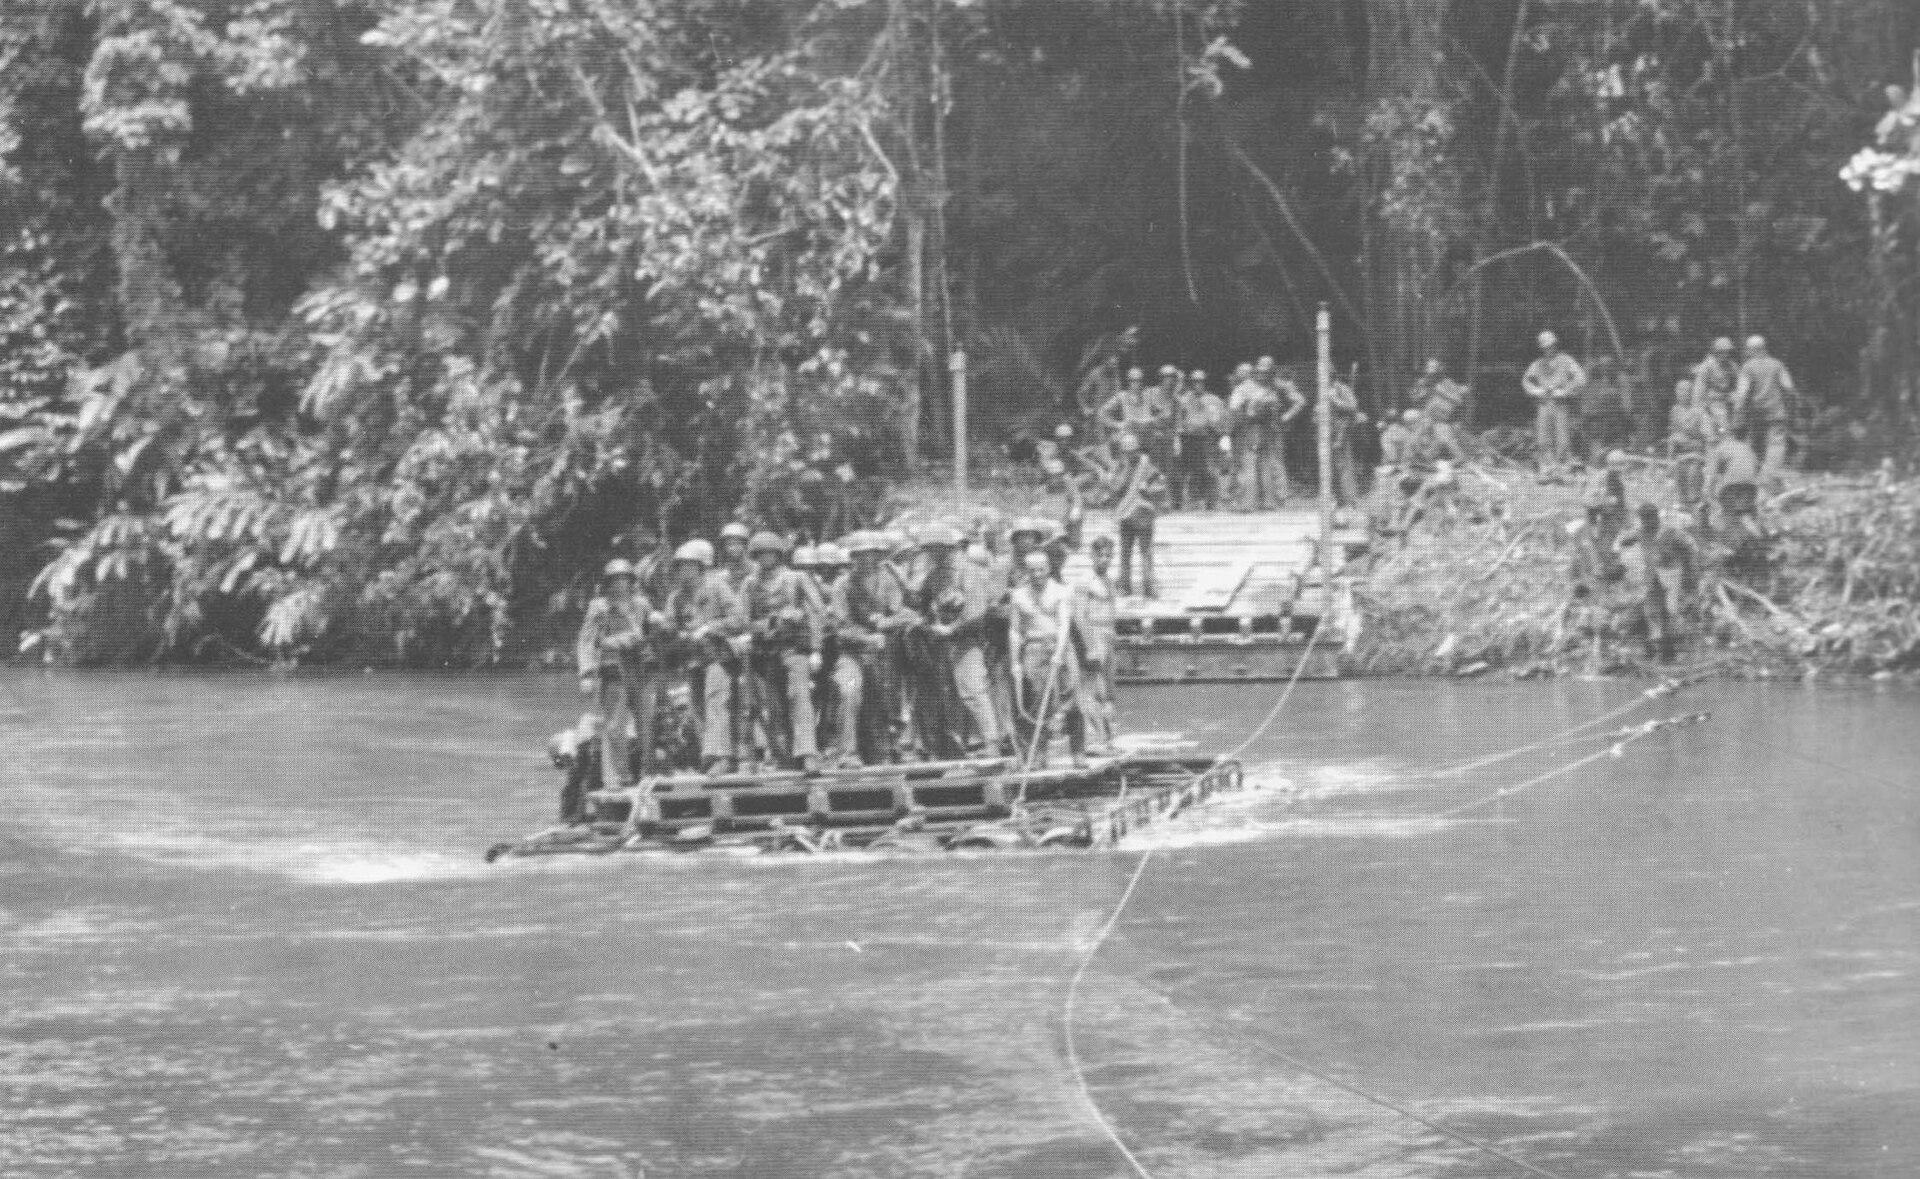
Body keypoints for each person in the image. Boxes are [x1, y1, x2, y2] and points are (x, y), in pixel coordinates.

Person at [576, 558, 668, 788]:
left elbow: (653, 637)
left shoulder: (642, 605)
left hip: (641, 671)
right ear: (607, 584)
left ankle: (648, 772)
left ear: (631, 582)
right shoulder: (599, 608)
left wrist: (659, 626)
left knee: (646, 723)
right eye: (615, 580)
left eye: (625, 580)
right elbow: (587, 641)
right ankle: (621, 775)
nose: (620, 585)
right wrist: (587, 674)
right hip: (613, 671)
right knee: (615, 726)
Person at [912, 523, 1002, 757]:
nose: (931, 555)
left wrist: (951, 629)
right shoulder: (935, 576)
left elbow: (977, 612)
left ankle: (992, 743)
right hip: (943, 644)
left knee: (972, 690)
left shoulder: (968, 572)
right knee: (951, 695)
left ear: (946, 548)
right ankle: (958, 746)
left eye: (935, 549)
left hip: (968, 640)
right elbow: (919, 602)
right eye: (928, 550)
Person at [740, 530, 826, 772]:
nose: (765, 558)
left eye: (770, 553)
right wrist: (765, 625)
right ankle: (784, 754)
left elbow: (818, 612)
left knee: (800, 698)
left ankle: (808, 753)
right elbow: (743, 620)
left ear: (778, 555)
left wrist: (816, 648)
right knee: (774, 705)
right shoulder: (750, 584)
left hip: (794, 648)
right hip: (766, 653)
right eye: (760, 554)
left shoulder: (796, 578)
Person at [662, 539, 748, 775]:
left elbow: (738, 620)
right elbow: (670, 627)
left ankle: (722, 756)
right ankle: (711, 755)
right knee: (698, 707)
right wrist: (670, 631)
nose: (683, 572)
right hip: (693, 659)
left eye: (689, 566)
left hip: (718, 657)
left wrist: (710, 627)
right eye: (680, 567)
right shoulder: (676, 598)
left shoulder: (718, 587)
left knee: (716, 703)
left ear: (701, 567)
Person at [831, 531, 916, 765]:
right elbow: (839, 628)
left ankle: (890, 748)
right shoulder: (842, 585)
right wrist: (866, 638)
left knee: (888, 700)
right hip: (852, 653)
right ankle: (847, 753)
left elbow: (903, 614)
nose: (867, 560)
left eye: (872, 555)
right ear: (854, 557)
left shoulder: (888, 581)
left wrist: (885, 623)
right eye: (861, 555)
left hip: (884, 655)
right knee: (849, 691)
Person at [1008, 551, 1086, 768]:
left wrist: (1059, 653)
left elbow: (1063, 625)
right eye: (1032, 570)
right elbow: (1015, 630)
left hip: (1059, 645)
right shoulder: (1019, 596)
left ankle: (1078, 752)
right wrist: (1015, 661)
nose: (1037, 574)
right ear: (1026, 571)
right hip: (1033, 648)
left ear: (1048, 569)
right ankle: (1038, 754)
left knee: (1071, 700)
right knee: (1035, 701)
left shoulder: (1061, 592)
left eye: (1041, 569)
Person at [1105, 432, 1167, 598]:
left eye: (1132, 451)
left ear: (1138, 450)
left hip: (1143, 514)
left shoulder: (1148, 467)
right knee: (1125, 551)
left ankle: (1149, 585)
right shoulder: (1120, 467)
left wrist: (1148, 488)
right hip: (1126, 515)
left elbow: (1161, 486)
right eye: (1126, 452)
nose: (1129, 455)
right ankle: (1125, 585)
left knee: (1146, 551)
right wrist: (1113, 480)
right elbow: (1114, 489)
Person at [1074, 535, 1120, 753]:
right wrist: (1089, 645)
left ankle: (1107, 737)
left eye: (1109, 556)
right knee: (1091, 688)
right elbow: (1080, 615)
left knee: (1108, 690)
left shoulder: (1108, 580)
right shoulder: (1086, 581)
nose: (1105, 559)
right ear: (1092, 556)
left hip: (1108, 634)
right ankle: (1094, 739)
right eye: (1100, 555)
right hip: (1094, 634)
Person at [1733, 334, 1796, 485]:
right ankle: (1769, 480)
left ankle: (1752, 481)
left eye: (1748, 349)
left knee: (1754, 447)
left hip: (1756, 415)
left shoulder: (1748, 367)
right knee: (1776, 446)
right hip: (1776, 413)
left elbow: (1742, 393)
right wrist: (1790, 408)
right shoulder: (1777, 365)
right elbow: (1789, 387)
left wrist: (1737, 412)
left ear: (1751, 350)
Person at [1522, 330, 1585, 472]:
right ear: (1542, 348)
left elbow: (1580, 379)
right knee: (1543, 438)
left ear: (1555, 345)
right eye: (1545, 347)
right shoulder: (1538, 364)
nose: (1549, 349)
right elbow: (1526, 382)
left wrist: (1566, 391)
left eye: (1551, 346)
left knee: (1562, 438)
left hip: (1560, 403)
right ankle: (1546, 467)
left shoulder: (1566, 361)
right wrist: (1537, 391)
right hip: (1544, 403)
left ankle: (1562, 467)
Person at [1172, 370, 1225, 509]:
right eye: (1195, 381)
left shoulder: (1214, 400)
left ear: (1205, 383)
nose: (1197, 384)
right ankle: (1192, 501)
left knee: (1210, 470)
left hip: (1208, 439)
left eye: (1200, 381)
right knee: (1191, 471)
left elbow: (1220, 421)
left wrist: (1221, 436)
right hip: (1189, 440)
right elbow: (1178, 421)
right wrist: (1179, 435)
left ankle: (1212, 502)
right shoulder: (1184, 400)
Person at [1705, 421, 1761, 535]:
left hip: (1731, 488)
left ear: (1731, 434)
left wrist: (1710, 495)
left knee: (1728, 516)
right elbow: (1756, 469)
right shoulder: (1749, 449)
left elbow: (1713, 475)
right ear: (1746, 435)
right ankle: (1756, 536)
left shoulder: (1723, 447)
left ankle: (1727, 539)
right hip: (1751, 488)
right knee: (1744, 514)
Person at [1667, 378, 1714, 512]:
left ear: (1691, 392)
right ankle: (1683, 502)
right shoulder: (1675, 410)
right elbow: (1673, 433)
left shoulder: (1699, 411)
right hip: (1680, 451)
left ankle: (1694, 502)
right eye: (1679, 390)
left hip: (1695, 451)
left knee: (1693, 473)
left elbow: (1707, 433)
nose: (1682, 393)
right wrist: (1670, 458)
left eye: (1686, 390)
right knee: (1679, 472)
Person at [1098, 367, 1167, 452]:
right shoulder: (1122, 396)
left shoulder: (1148, 395)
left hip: (1147, 434)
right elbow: (1102, 412)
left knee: (1162, 439)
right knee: (1126, 441)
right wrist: (1117, 424)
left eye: (1140, 380)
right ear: (1129, 381)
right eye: (1134, 380)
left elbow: (1163, 412)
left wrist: (1153, 420)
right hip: (1130, 434)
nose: (1137, 383)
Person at [1579, 355, 1632, 464]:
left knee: (1616, 450)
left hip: (1616, 420)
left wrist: (1625, 417)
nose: (1605, 368)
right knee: (1596, 442)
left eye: (1608, 365)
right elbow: (1586, 406)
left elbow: (1627, 405)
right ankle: (1597, 462)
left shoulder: (1620, 379)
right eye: (1602, 365)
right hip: (1598, 421)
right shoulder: (1595, 382)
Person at [1325, 371, 1363, 507]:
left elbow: (1353, 407)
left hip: (1341, 432)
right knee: (1330, 467)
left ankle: (1350, 499)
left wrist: (1335, 400)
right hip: (1326, 432)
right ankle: (1337, 498)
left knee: (1344, 466)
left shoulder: (1342, 389)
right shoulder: (1325, 389)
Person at [1689, 337, 1739, 435]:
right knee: (1715, 432)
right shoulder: (1707, 366)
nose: (1726, 355)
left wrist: (1735, 396)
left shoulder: (1732, 366)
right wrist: (1698, 408)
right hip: (1711, 404)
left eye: (1728, 352)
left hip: (1728, 403)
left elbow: (1739, 384)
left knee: (1730, 430)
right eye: (1723, 352)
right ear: (1717, 352)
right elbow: (1699, 389)